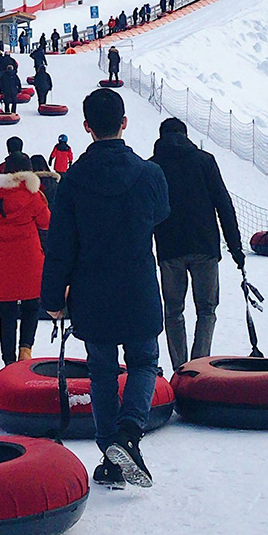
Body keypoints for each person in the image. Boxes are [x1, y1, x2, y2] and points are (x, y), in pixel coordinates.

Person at [42, 89, 169, 489]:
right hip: (138, 285)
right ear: (125, 123)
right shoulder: (150, 174)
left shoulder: (74, 179)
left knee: (101, 370)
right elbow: (161, 216)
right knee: (145, 361)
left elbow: (60, 246)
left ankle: (110, 453)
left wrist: (51, 298)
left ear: (86, 128)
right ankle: (130, 432)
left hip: (91, 289)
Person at [150, 117, 244, 372]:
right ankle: (199, 369)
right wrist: (236, 248)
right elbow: (223, 204)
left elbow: (145, 213)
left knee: (173, 311)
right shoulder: (205, 161)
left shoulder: (153, 167)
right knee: (207, 309)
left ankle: (181, 370)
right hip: (205, 248)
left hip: (169, 250)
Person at [0, 152, 51, 364]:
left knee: (6, 312)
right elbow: (45, 222)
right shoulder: (32, 194)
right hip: (29, 256)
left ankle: (8, 360)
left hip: (1, 259)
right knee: (31, 306)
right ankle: (25, 350)